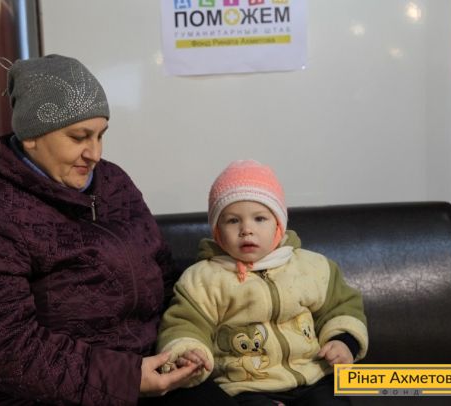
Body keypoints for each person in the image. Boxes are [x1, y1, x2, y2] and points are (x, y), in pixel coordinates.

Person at [0, 54, 235, 405]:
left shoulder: (113, 182)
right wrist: (127, 379)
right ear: (30, 135)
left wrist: (184, 341)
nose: (95, 154)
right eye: (79, 137)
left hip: (143, 372)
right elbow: (0, 344)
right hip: (28, 395)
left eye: (101, 135)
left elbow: (164, 277)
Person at [157, 160, 369, 405]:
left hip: (313, 376)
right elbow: (185, 323)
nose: (246, 229)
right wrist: (188, 353)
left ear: (279, 225)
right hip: (245, 387)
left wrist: (343, 341)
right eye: (233, 221)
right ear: (217, 231)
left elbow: (341, 306)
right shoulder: (203, 279)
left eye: (259, 218)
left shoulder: (311, 267)